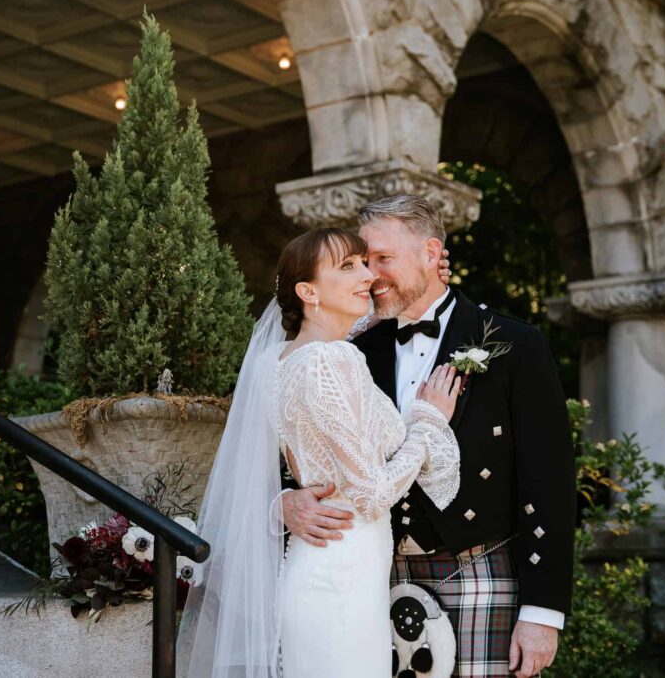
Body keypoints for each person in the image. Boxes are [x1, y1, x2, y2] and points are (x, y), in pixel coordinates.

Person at [282, 195, 576, 678]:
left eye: (383, 259)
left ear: (430, 252)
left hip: (477, 569)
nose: (371, 274)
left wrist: (542, 612)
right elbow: (302, 446)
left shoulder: (514, 343)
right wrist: (287, 501)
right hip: (370, 579)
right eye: (362, 261)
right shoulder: (351, 348)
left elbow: (549, 482)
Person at [178, 227, 462, 677]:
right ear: (308, 290)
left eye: (365, 263)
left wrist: (428, 272)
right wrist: (428, 422)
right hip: (341, 578)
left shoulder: (278, 361)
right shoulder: (333, 360)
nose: (366, 275)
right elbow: (369, 493)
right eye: (348, 266)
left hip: (325, 567)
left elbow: (365, 315)